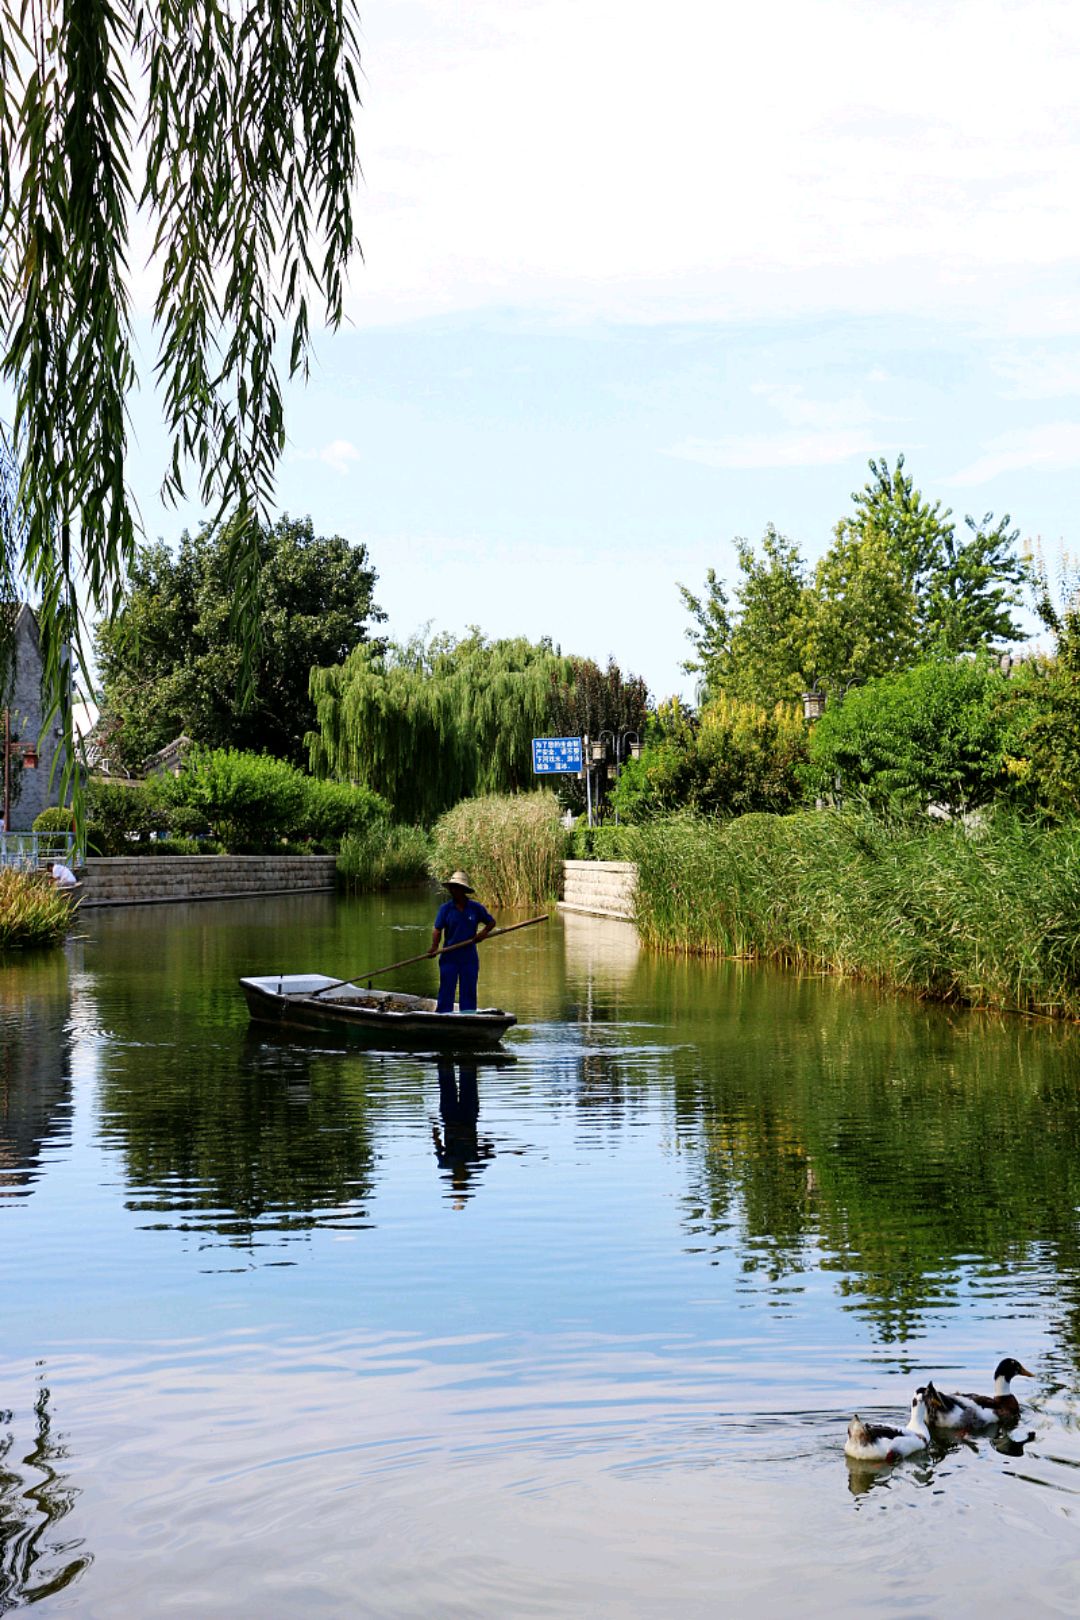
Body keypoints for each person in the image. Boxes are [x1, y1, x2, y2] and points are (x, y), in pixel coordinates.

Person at [429, 870, 495, 1013]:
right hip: (449, 956)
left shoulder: (475, 908)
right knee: (446, 990)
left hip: (468, 956)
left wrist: (482, 934)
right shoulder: (445, 909)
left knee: (468, 990)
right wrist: (434, 947)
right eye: (452, 888)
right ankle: (443, 1016)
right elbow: (437, 929)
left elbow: (491, 922)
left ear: (463, 890)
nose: (453, 891)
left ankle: (468, 1015)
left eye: (456, 888)